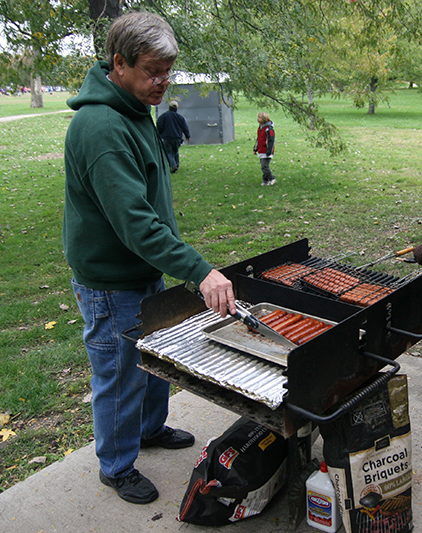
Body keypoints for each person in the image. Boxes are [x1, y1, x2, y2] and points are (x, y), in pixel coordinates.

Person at [63, 11, 235, 505]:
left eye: (169, 71)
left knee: (152, 357)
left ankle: (150, 429)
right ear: (119, 64)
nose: (164, 82)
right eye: (153, 71)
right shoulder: (99, 127)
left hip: (141, 269)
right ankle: (116, 466)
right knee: (119, 371)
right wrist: (201, 272)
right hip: (110, 281)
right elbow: (135, 223)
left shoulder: (135, 106)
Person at [157, 100, 191, 172]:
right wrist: (187, 136)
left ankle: (173, 165)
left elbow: (159, 125)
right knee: (175, 151)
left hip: (167, 138)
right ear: (176, 108)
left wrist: (159, 133)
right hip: (177, 138)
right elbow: (185, 127)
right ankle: (177, 165)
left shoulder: (163, 116)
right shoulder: (180, 117)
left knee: (169, 152)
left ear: (169, 107)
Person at [253, 112, 276, 185]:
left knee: (265, 166)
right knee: (263, 166)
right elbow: (258, 139)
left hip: (266, 151)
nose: (258, 119)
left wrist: (269, 151)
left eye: (260, 118)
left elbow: (271, 140)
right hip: (261, 150)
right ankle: (266, 180)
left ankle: (272, 178)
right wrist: (255, 148)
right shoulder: (260, 128)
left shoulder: (269, 129)